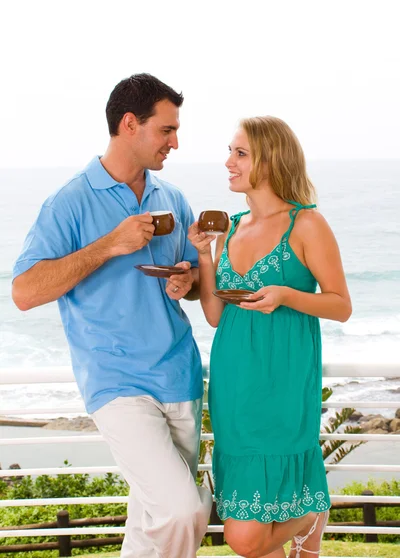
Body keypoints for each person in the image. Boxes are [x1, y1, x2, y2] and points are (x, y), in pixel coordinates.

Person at [12, 73, 212, 558]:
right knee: (184, 510)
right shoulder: (69, 202)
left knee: (152, 519)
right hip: (116, 381)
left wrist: (188, 280)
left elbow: (195, 283)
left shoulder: (172, 198)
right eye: (166, 130)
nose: (176, 142)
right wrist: (109, 245)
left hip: (180, 374)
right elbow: (24, 291)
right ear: (130, 124)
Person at [188, 116, 352, 558]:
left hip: (281, 384)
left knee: (244, 539)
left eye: (240, 153)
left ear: (270, 159)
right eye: (230, 152)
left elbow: (341, 304)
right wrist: (205, 255)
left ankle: (311, 512)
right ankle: (303, 522)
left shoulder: (306, 224)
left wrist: (287, 294)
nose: (228, 162)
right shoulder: (233, 227)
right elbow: (216, 315)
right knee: (261, 542)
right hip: (233, 387)